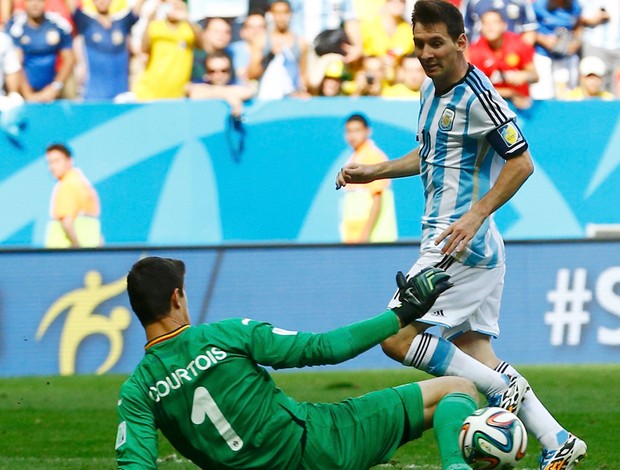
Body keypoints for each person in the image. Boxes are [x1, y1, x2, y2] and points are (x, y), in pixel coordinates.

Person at [335, 2, 587, 469]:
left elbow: (521, 162)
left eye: (436, 43)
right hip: (457, 243)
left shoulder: (479, 94)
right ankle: (559, 442)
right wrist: (376, 171)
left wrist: (475, 216)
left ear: (460, 42)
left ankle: (500, 391)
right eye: (419, 44)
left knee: (396, 337)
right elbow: (432, 152)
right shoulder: (431, 93)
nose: (427, 54)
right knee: (475, 352)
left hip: (458, 248)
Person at [116, 256, 478, 470]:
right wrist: (401, 315)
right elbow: (327, 347)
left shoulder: (137, 392)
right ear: (177, 297)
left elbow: (137, 465)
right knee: (458, 388)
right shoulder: (224, 336)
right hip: (319, 447)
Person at [64, 0, 144, 100]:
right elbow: (71, 5)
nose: (101, 1)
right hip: (93, 95)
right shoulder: (86, 22)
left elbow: (138, 7)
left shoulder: (122, 23)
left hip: (120, 95)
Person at [340, 113, 398, 244]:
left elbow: (377, 199)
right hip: (355, 238)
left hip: (373, 240)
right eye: (349, 131)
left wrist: (364, 238)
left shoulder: (372, 156)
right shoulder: (355, 157)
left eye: (357, 130)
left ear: (368, 131)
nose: (352, 136)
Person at [6, 0, 75, 102]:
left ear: (45, 2)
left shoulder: (58, 24)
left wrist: (55, 87)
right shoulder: (15, 26)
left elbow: (69, 59)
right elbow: (15, 63)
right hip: (24, 92)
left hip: (53, 91)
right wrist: (28, 95)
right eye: (30, 1)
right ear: (25, 3)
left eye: (39, 1)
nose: (34, 4)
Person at [468, 10, 538, 109]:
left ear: (504, 25)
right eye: (485, 23)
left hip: (522, 104)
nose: (490, 27)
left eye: (494, 23)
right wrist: (511, 93)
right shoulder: (475, 51)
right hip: (490, 106)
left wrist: (525, 75)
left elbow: (535, 76)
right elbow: (477, 89)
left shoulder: (518, 44)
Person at [132, 0, 200, 100]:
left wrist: (187, 18)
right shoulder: (156, 25)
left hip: (177, 93)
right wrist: (150, 19)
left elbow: (202, 45)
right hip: (151, 91)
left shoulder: (189, 28)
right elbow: (144, 48)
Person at [44, 143, 102, 248]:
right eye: (49, 162)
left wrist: (76, 248)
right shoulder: (84, 184)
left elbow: (66, 220)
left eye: (56, 161)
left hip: (62, 255)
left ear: (70, 161)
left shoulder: (67, 185)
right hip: (89, 254)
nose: (52, 167)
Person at [529, 0, 582, 99]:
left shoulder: (575, 5)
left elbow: (578, 25)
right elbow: (527, 28)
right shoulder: (538, 5)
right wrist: (542, 39)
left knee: (566, 94)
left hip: (565, 55)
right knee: (542, 94)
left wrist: (576, 41)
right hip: (543, 54)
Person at [186, 50, 256, 117]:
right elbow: (195, 93)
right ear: (206, 73)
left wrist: (214, 92)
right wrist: (228, 96)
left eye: (224, 70)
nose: (219, 75)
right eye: (213, 71)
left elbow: (250, 91)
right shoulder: (200, 83)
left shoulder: (234, 83)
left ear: (230, 71)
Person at [580, 0, 620, 96]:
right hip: (596, 43)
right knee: (594, 85)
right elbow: (576, 15)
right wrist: (592, 19)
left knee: (616, 88)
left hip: (618, 45)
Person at [461, 0, 538, 45]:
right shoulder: (471, 1)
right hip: (480, 55)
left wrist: (520, 53)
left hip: (513, 56)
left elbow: (529, 30)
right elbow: (464, 31)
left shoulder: (521, 2)